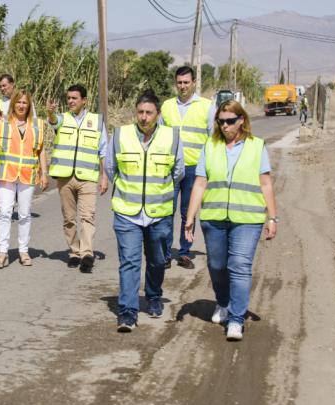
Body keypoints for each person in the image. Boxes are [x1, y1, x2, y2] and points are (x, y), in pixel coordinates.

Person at [184, 100, 278, 341]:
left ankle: (236, 319)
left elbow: (266, 183)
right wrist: (190, 216)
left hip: (248, 218)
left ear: (241, 120)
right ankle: (223, 302)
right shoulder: (211, 145)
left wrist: (272, 217)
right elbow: (200, 183)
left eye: (229, 121)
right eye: (221, 121)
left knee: (240, 266)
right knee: (217, 266)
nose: (224, 126)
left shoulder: (257, 146)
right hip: (214, 217)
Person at [106, 91, 184, 332]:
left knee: (158, 260)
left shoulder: (172, 137)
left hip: (159, 213)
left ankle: (153, 296)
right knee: (129, 261)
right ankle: (127, 312)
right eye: (140, 112)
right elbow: (111, 167)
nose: (144, 117)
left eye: (149, 113)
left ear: (157, 114)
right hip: (127, 212)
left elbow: (178, 171)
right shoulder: (121, 134)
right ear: (135, 113)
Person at [46, 84, 108, 273]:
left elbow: (103, 149)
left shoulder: (96, 121)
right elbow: (54, 122)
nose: (71, 101)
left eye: (74, 98)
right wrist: (50, 113)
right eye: (69, 98)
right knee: (69, 218)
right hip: (65, 177)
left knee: (88, 216)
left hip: (87, 177)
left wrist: (104, 176)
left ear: (84, 100)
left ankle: (87, 253)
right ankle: (74, 251)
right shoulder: (63, 119)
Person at [161, 66, 216, 270]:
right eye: (179, 82)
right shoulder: (166, 106)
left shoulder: (207, 106)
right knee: (167, 211)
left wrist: (209, 168)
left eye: (186, 82)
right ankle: (165, 254)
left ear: (194, 83)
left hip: (195, 168)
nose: (183, 86)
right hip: (170, 168)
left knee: (188, 212)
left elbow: (213, 139)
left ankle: (184, 253)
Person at [0, 89, 48, 268]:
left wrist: (44, 173)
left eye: (25, 102)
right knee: (5, 212)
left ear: (29, 105)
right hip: (7, 173)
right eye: (18, 102)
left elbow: (41, 150)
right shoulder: (3, 122)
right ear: (13, 103)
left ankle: (23, 250)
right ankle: (2, 252)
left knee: (24, 214)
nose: (21, 105)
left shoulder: (37, 124)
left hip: (28, 174)